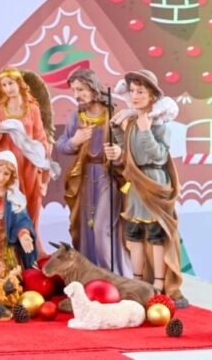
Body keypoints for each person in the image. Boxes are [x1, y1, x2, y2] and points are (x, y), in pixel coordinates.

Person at [105, 69, 188, 307]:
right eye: (132, 91)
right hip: (135, 186)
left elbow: (159, 155)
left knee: (156, 235)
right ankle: (137, 280)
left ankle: (159, 284)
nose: (135, 96)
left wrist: (145, 131)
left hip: (153, 182)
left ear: (153, 96)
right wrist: (117, 152)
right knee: (135, 236)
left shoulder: (159, 124)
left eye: (141, 91)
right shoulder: (128, 121)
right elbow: (127, 154)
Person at [0, 68, 55, 255]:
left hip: (29, 164)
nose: (8, 88)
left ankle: (33, 247)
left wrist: (43, 157)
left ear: (19, 84)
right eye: (4, 85)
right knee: (13, 203)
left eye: (11, 83)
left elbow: (40, 136)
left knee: (32, 204)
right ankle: (13, 251)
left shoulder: (32, 108)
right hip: (10, 165)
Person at [56, 68, 130, 275]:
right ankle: (89, 275)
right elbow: (61, 145)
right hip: (85, 178)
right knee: (85, 229)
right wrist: (74, 141)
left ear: (93, 87)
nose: (76, 95)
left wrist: (119, 152)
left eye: (81, 89)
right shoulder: (77, 117)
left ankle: (109, 276)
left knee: (101, 228)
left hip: (109, 177)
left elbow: (131, 147)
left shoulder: (114, 114)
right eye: (74, 90)